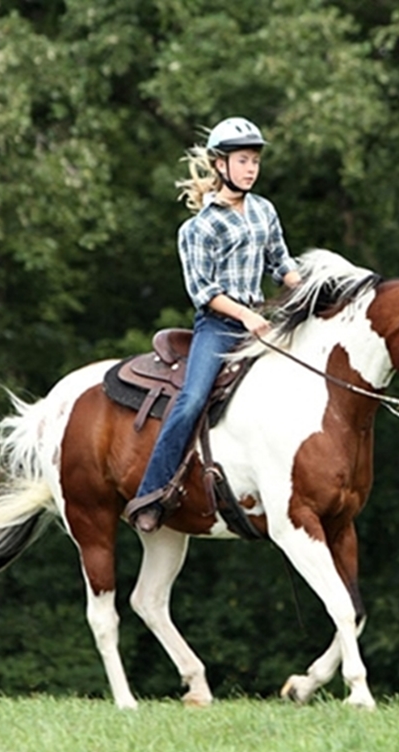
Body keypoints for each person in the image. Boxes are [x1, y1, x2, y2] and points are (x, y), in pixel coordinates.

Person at [124, 116, 301, 533]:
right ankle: (153, 492)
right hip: (220, 327)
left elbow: (282, 263)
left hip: (262, 321)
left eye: (255, 160)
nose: (251, 168)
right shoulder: (197, 228)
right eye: (242, 160)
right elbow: (204, 292)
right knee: (191, 400)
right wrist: (247, 316)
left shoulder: (264, 210)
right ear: (220, 165)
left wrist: (311, 288)